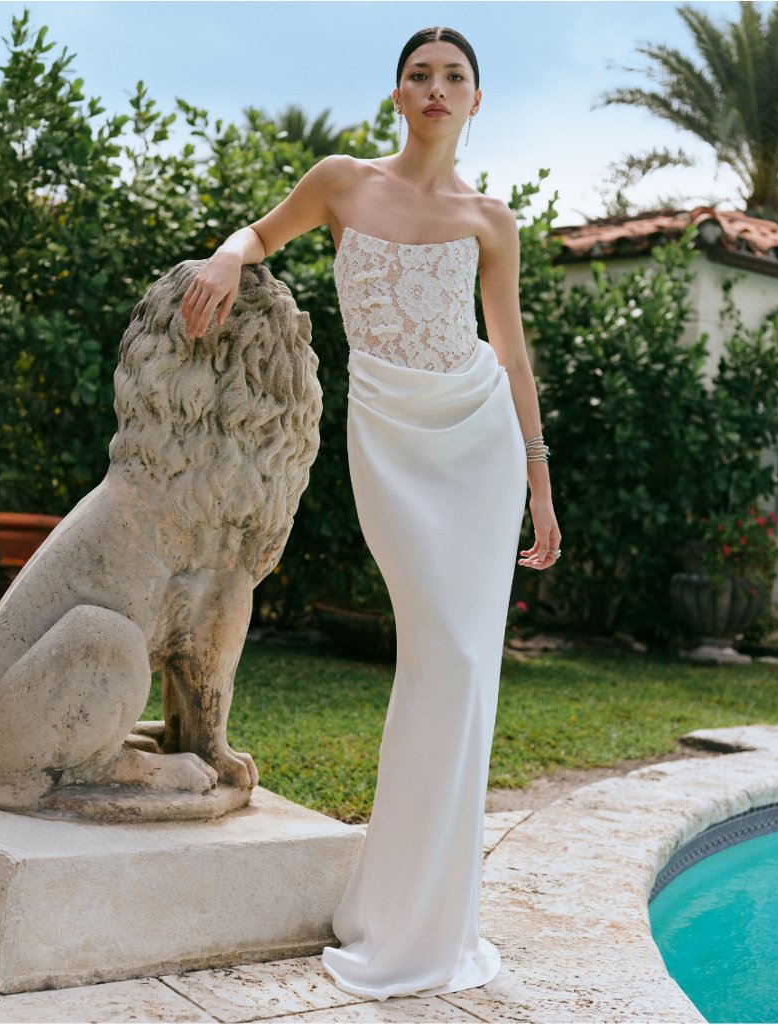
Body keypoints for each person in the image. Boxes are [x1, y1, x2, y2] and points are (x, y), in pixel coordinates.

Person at [181, 25, 562, 1001]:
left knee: (461, 660)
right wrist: (228, 259)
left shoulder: (490, 220)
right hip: (390, 436)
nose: (435, 88)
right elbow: (259, 234)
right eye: (418, 75)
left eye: (454, 77)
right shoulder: (342, 182)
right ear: (397, 94)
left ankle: (417, 914)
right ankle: (395, 910)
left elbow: (510, 353)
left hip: (476, 439)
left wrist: (538, 478)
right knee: (439, 647)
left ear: (474, 101)